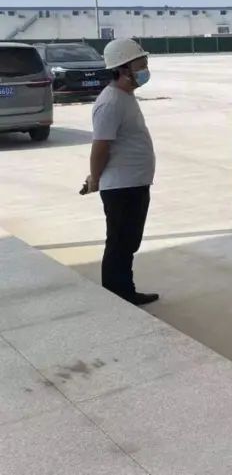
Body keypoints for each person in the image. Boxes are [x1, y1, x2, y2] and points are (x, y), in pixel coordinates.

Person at [85, 38, 158, 306]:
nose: (145, 70)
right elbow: (100, 147)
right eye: (140, 65)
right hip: (121, 187)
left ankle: (124, 290)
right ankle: (117, 295)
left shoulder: (125, 96)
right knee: (120, 242)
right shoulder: (111, 102)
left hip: (134, 183)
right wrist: (94, 178)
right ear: (122, 69)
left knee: (128, 241)